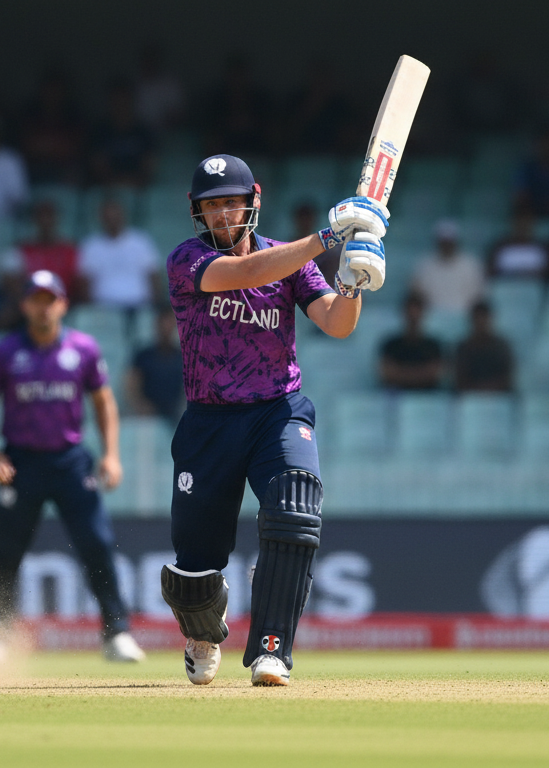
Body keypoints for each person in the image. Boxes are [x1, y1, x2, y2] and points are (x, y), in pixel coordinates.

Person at [161, 154, 386, 686]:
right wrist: (325, 238)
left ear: (252, 202)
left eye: (230, 204)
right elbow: (244, 273)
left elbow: (336, 323)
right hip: (209, 421)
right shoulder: (186, 260)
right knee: (194, 570)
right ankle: (201, 634)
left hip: (276, 411)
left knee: (295, 512)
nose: (222, 216)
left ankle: (272, 649)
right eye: (211, 207)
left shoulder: (290, 261)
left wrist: (352, 281)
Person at [0, 270, 145, 663]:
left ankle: (116, 633)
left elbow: (103, 403)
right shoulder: (5, 352)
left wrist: (111, 454)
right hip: (20, 462)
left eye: (51, 299)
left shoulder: (83, 349)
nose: (43, 307)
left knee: (97, 544)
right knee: (6, 551)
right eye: (36, 299)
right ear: (25, 305)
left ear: (63, 304)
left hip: (70, 461)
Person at [78, 197, 160, 314]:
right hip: (102, 310)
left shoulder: (141, 241)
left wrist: (154, 308)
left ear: (123, 215)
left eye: (115, 216)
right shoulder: (91, 245)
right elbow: (84, 284)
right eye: (108, 217)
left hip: (140, 307)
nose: (112, 220)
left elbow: (154, 276)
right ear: (101, 218)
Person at [0, 199, 82, 298]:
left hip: (66, 305)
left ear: (57, 218)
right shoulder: (21, 250)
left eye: (49, 215)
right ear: (34, 219)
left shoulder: (72, 250)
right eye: (41, 216)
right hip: (30, 305)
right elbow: (10, 282)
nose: (45, 220)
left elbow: (81, 284)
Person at [410, 219, 485, 316]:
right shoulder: (423, 266)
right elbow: (416, 295)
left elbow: (479, 296)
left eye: (450, 242)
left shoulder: (472, 265)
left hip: (466, 318)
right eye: (444, 242)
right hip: (431, 318)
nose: (447, 246)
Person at [379, 293, 445, 390]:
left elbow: (436, 374)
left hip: (427, 398)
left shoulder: (433, 346)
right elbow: (387, 374)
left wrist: (401, 374)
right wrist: (422, 373)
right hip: (396, 398)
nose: (413, 317)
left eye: (416, 313)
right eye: (409, 313)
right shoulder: (391, 345)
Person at [126, 311, 184, 421]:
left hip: (175, 415)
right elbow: (131, 386)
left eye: (170, 326)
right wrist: (141, 406)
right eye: (163, 325)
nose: (166, 330)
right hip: (148, 417)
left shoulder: (182, 357)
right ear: (157, 326)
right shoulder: (143, 356)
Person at [454, 301, 515, 392]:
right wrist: (478, 391)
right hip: (470, 398)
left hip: (498, 396)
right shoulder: (463, 347)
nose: (481, 323)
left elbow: (507, 378)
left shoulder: (501, 346)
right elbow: (459, 379)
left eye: (484, 318)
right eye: (477, 319)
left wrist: (488, 390)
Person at [487, 205, 547, 279]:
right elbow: (491, 275)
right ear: (513, 224)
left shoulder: (541, 249)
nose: (523, 227)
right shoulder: (500, 248)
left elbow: (546, 276)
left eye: (526, 223)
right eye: (520, 223)